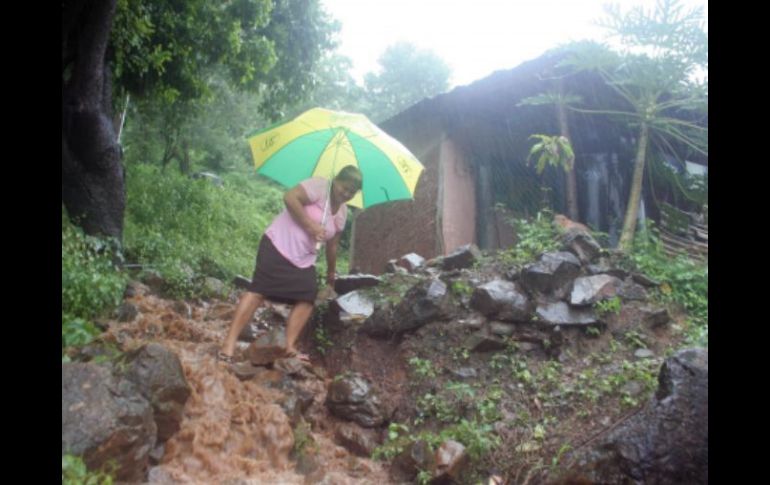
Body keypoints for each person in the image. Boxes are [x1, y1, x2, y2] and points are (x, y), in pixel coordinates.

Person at [218, 165, 363, 364]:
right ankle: (229, 344)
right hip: (278, 244)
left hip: (303, 259)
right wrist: (310, 225)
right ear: (336, 180)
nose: (346, 193)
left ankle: (288, 346)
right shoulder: (318, 187)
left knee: (307, 297)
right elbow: (289, 198)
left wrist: (331, 272)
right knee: (258, 291)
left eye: (351, 191)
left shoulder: (343, 212)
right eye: (344, 187)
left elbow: (333, 245)